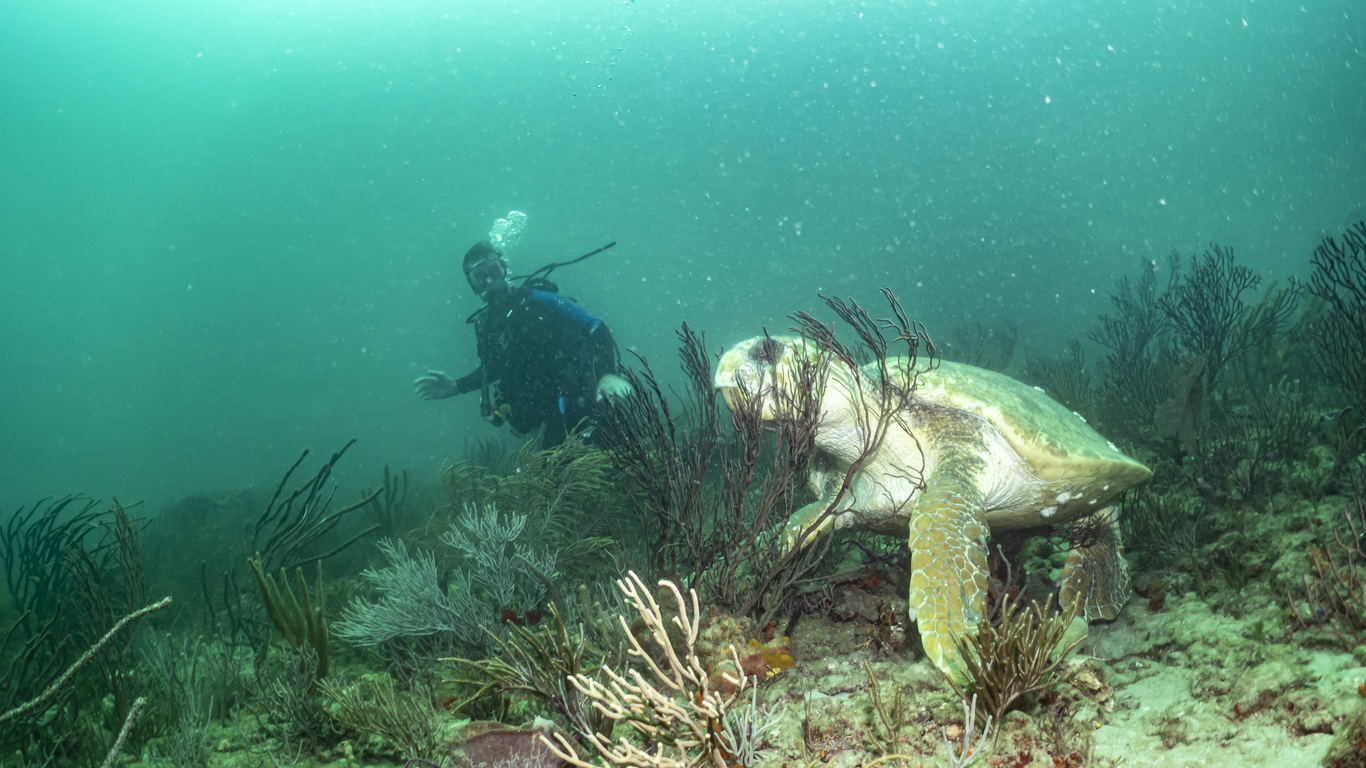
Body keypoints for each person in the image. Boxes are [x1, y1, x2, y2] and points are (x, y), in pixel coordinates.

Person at [415, 240, 632, 447]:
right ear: (473, 287)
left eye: (493, 271)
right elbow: (494, 368)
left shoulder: (539, 299)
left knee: (614, 449)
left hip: (580, 394)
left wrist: (607, 375)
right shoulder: (485, 326)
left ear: (504, 269)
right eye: (479, 277)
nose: (489, 281)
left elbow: (595, 327)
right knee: (556, 465)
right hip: (547, 410)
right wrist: (457, 386)